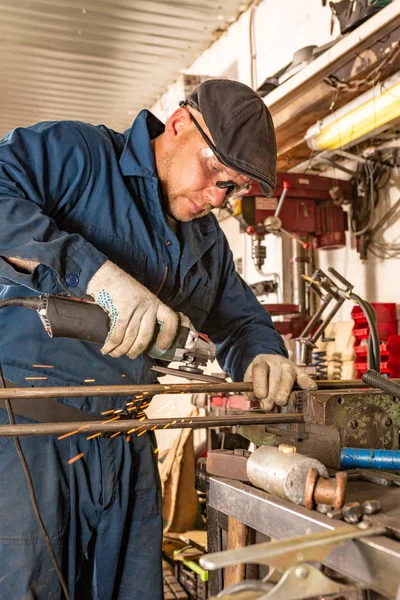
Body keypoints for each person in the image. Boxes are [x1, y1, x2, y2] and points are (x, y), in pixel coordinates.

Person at [0, 79, 316, 599]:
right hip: (27, 445)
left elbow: (240, 321)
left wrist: (263, 354)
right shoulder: (77, 156)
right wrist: (94, 274)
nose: (218, 197)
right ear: (178, 124)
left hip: (124, 444)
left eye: (233, 188)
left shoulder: (206, 244)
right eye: (215, 172)